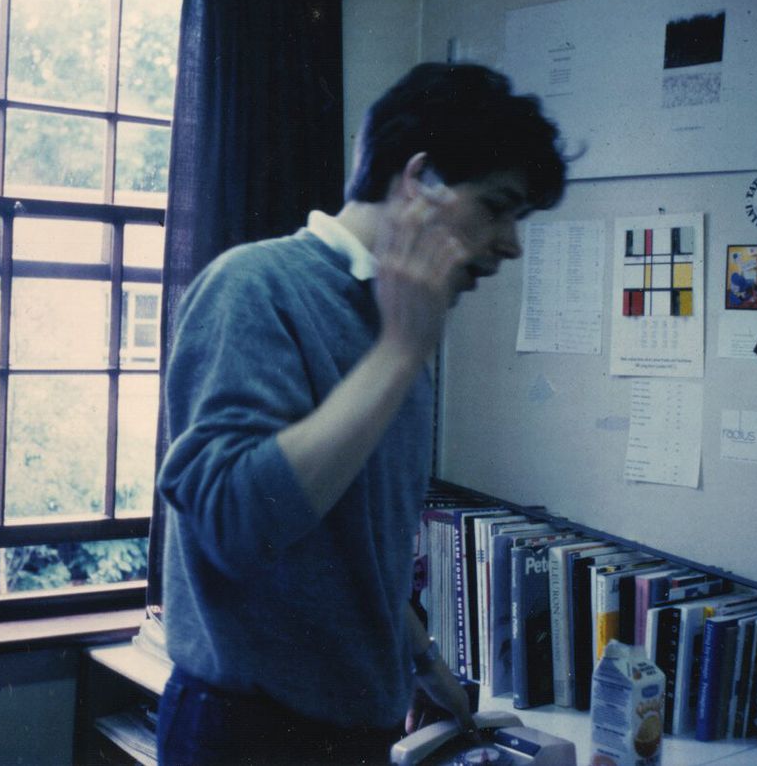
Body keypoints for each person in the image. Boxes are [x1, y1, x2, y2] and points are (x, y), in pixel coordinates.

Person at [154, 63, 567, 764]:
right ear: (421, 180)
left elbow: (353, 550)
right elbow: (235, 526)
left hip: (355, 732)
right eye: (497, 206)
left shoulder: (399, 321)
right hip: (251, 738)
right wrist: (401, 351)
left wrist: (421, 660)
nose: (511, 244)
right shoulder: (255, 287)